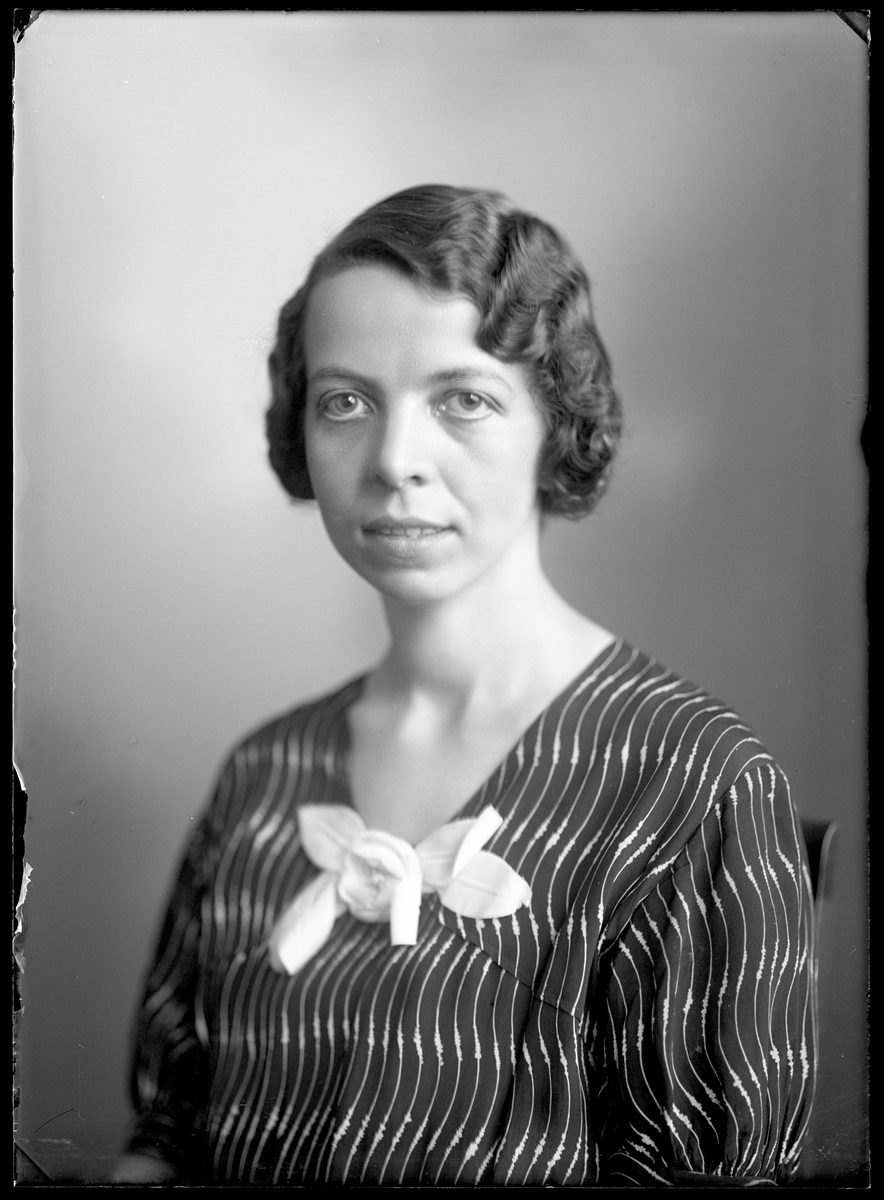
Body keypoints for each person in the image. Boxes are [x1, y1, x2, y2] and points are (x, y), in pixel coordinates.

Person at [114, 185, 817, 1186]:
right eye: (345, 401)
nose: (395, 461)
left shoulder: (693, 784)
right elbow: (170, 1132)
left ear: (553, 422)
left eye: (464, 399)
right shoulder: (263, 773)